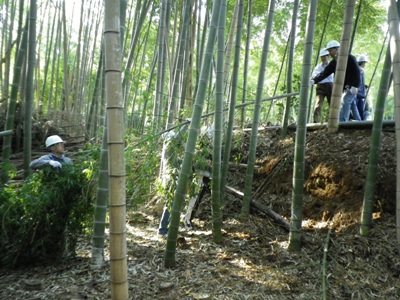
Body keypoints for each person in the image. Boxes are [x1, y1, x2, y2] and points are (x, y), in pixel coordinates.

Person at [310, 40, 361, 122]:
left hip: (352, 86)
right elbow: (324, 73)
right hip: (345, 87)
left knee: (345, 102)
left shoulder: (349, 58)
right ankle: (359, 122)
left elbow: (357, 72)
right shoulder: (334, 63)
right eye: (329, 51)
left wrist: (355, 85)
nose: (329, 53)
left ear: (337, 49)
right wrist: (314, 80)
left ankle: (342, 122)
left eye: (330, 50)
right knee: (352, 104)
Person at [311, 49, 334, 123]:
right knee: (318, 104)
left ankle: (331, 121)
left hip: (330, 85)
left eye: (325, 56)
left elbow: (331, 76)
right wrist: (322, 76)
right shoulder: (318, 67)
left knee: (332, 104)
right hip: (320, 86)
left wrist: (321, 75)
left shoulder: (332, 65)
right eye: (322, 57)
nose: (323, 58)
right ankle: (315, 121)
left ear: (328, 56)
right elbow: (314, 75)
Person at [356, 55, 369, 120]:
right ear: (362, 62)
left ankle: (360, 121)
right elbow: (359, 82)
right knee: (361, 110)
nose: (365, 64)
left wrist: (365, 87)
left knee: (361, 109)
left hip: (359, 93)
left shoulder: (360, 70)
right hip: (358, 93)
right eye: (364, 63)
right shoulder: (360, 70)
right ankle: (360, 122)